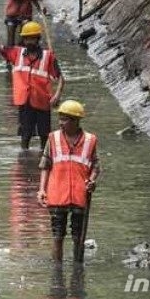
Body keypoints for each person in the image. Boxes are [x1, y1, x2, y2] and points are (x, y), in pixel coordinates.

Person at [36, 100, 100, 263]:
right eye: (60, 119)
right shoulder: (53, 138)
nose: (60, 123)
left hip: (80, 194)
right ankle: (57, 272)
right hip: (57, 194)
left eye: (64, 119)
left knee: (78, 236)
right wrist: (42, 190)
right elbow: (45, 165)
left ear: (75, 120)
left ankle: (77, 269)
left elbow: (96, 166)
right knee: (58, 235)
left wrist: (92, 181)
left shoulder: (90, 140)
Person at [0, 21, 64, 150]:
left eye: (32, 38)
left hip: (43, 102)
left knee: (44, 135)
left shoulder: (48, 56)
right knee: (25, 135)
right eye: (26, 39)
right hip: (25, 102)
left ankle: (44, 158)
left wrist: (57, 95)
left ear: (38, 39)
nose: (29, 42)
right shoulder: (17, 53)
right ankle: (24, 160)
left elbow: (60, 78)